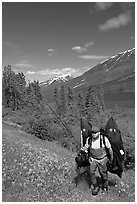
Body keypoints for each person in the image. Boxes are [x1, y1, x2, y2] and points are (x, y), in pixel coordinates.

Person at [81, 126, 113, 195]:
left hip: (102, 159)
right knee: (91, 172)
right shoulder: (89, 139)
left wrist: (111, 158)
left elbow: (110, 149)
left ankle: (105, 186)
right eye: (92, 132)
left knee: (103, 173)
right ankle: (96, 186)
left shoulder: (104, 139)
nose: (93, 134)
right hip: (93, 159)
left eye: (95, 133)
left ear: (99, 133)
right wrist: (84, 149)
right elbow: (87, 147)